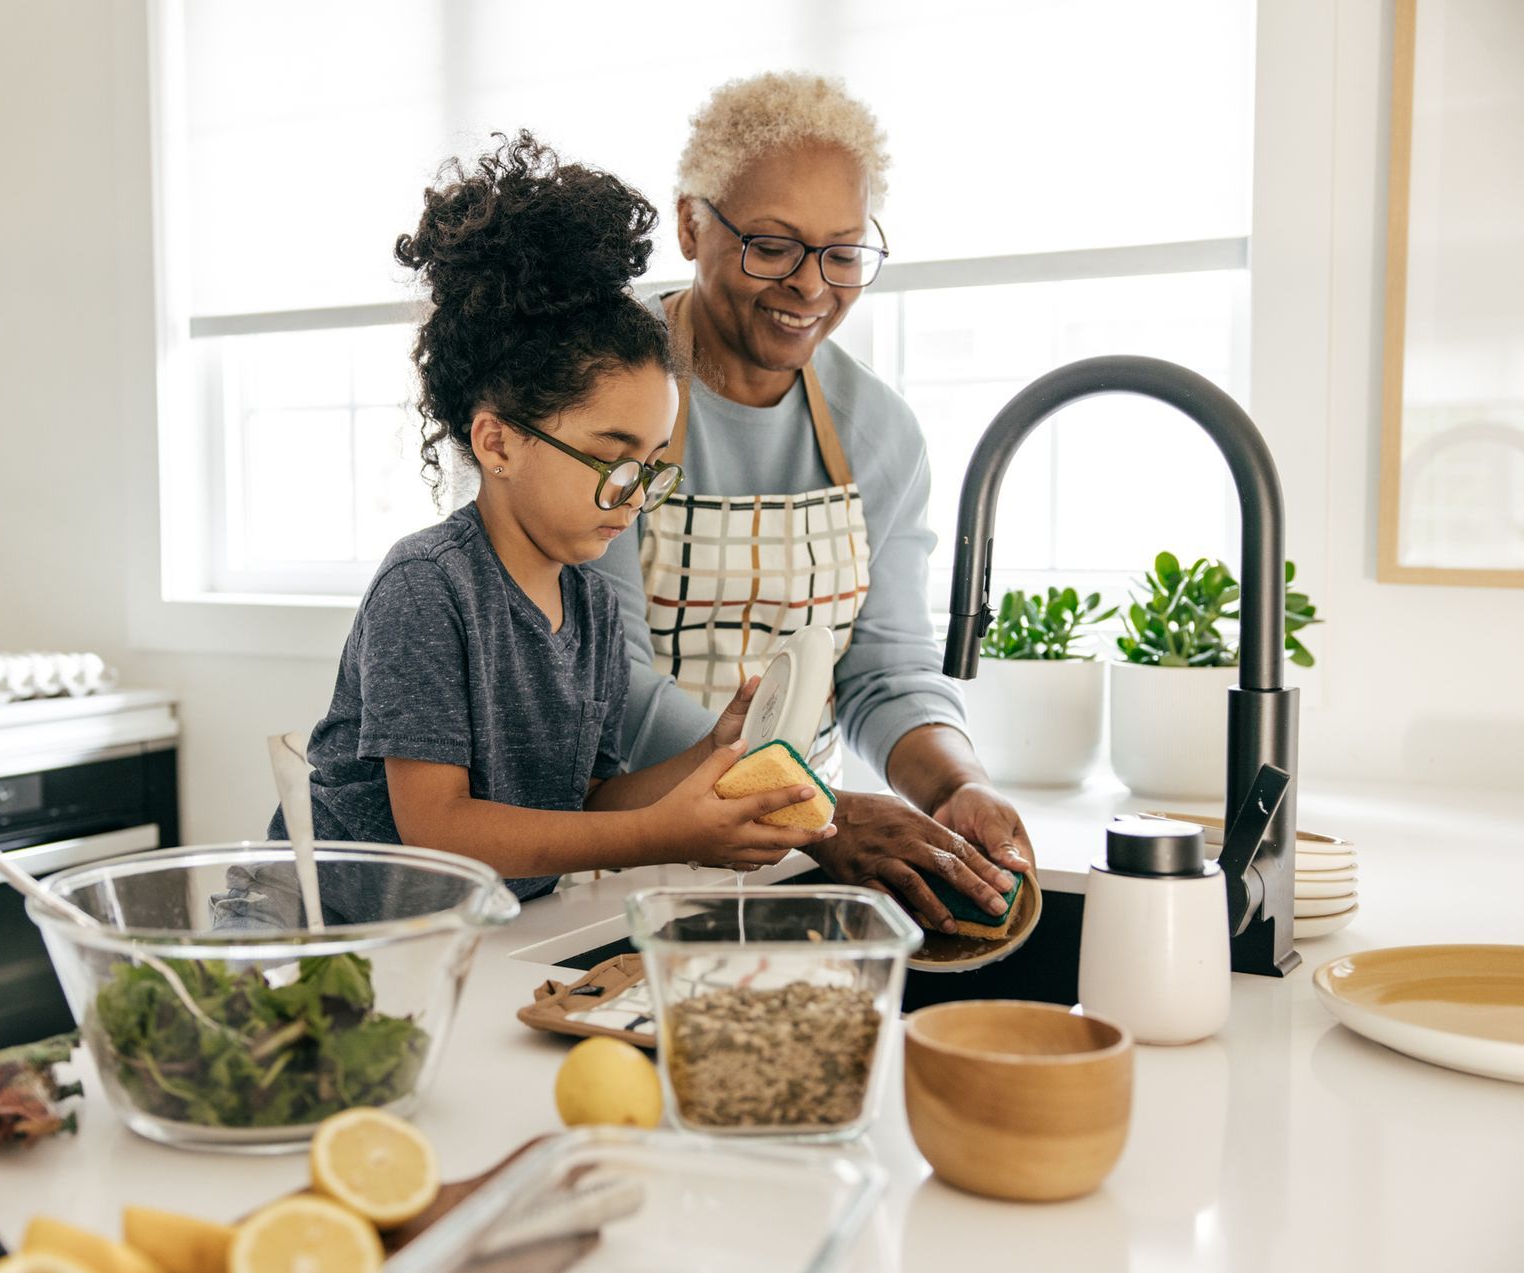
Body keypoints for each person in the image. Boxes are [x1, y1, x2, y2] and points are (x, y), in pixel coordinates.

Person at [260, 131, 833, 911]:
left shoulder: (591, 609)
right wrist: (668, 834)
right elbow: (441, 832)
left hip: (462, 930)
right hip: (318, 925)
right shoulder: (428, 588)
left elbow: (587, 801)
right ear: (497, 442)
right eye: (612, 459)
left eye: (652, 465)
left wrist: (714, 751)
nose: (633, 495)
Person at [586, 73, 1033, 934]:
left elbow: (885, 674)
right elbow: (611, 685)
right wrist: (815, 808)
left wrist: (957, 784)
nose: (811, 286)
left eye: (842, 251)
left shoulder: (879, 433)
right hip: (608, 854)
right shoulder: (604, 394)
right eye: (772, 246)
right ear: (690, 224)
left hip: (793, 859)